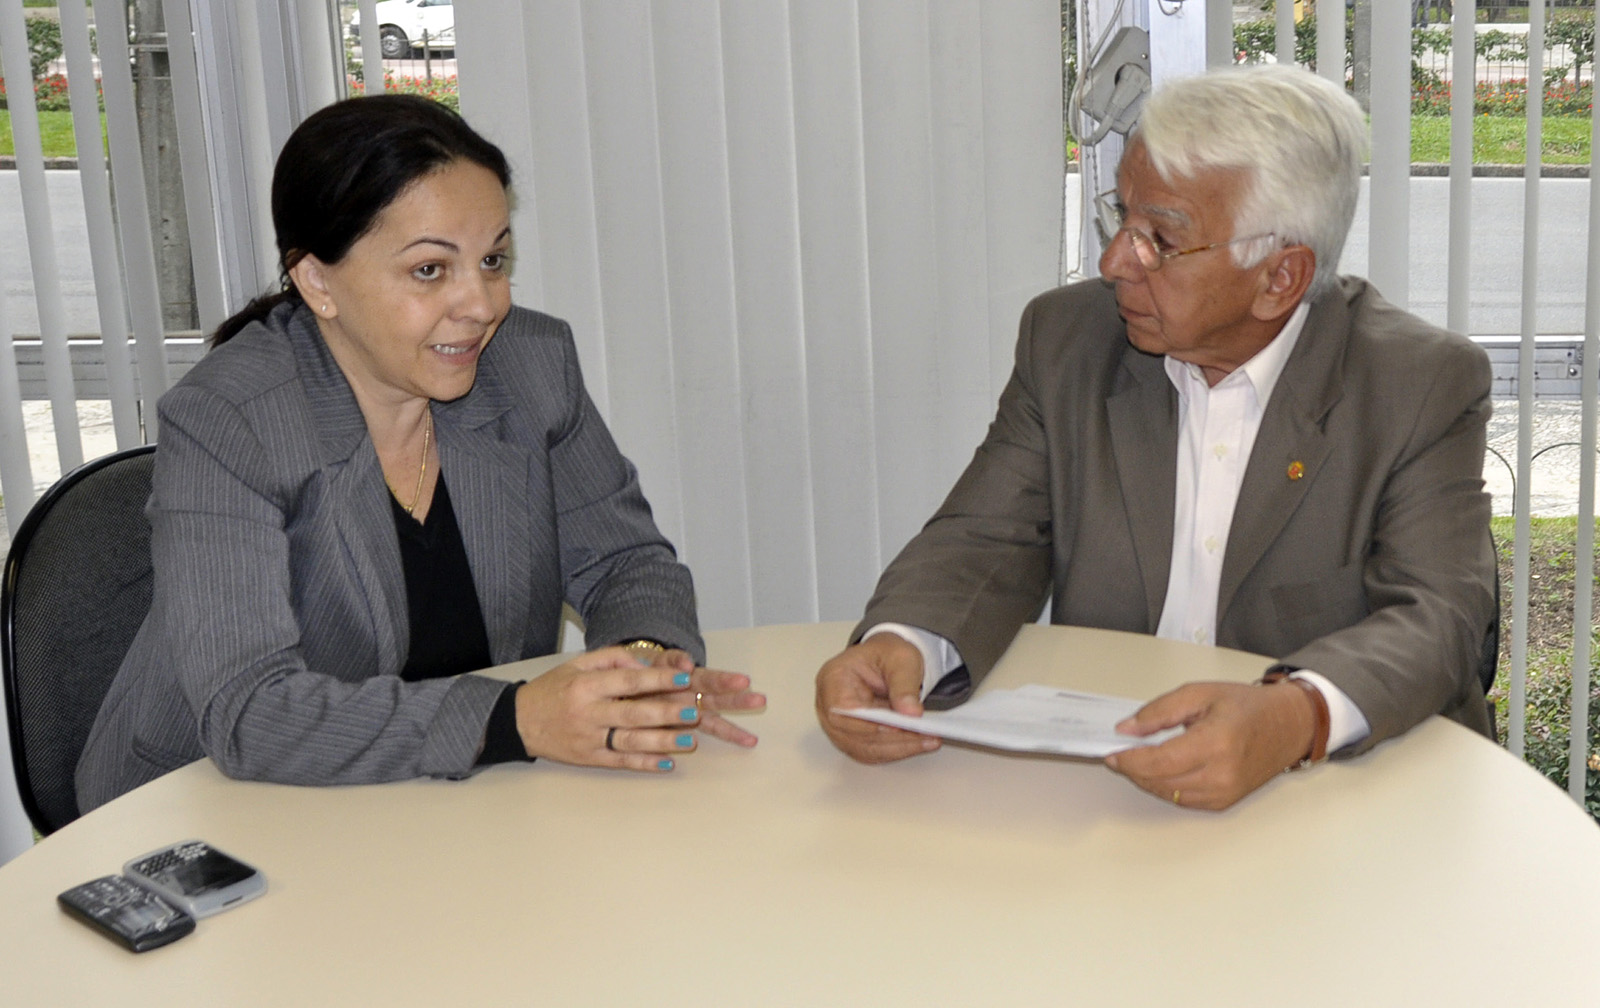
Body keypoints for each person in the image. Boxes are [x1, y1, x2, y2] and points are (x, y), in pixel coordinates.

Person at [814, 65, 1496, 810]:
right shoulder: (1069, 341)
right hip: (1117, 787)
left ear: (1280, 277)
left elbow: (1439, 617)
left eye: (1160, 240)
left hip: (1344, 796)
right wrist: (906, 641)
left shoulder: (1416, 383)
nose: (1114, 263)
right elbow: (986, 536)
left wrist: (1293, 717)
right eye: (1121, 216)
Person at [77, 95, 763, 811]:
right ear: (317, 281)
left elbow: (626, 563)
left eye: (493, 260)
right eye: (431, 270)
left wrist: (641, 670)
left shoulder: (531, 364)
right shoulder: (230, 418)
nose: (482, 304)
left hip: (436, 801)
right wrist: (515, 719)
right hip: (213, 806)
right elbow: (251, 711)